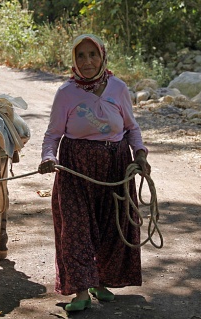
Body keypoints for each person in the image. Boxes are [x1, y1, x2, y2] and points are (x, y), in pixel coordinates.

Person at [38, 34, 151, 312]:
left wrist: (140, 153)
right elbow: (53, 134)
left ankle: (100, 281)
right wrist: (48, 157)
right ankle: (80, 291)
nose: (87, 61)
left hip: (116, 166)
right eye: (81, 56)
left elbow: (132, 128)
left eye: (92, 55)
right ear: (73, 60)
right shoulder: (66, 93)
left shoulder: (119, 88)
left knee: (112, 225)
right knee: (76, 229)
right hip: (77, 168)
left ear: (102, 57)